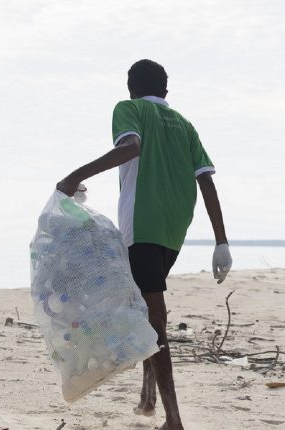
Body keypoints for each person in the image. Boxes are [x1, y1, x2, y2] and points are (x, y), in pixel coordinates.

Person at [56, 59, 232, 430]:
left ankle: (173, 419)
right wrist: (221, 240)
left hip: (143, 227)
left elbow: (131, 147)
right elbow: (207, 182)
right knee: (145, 312)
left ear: (131, 89)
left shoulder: (128, 109)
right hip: (174, 230)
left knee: (155, 319)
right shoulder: (185, 124)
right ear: (166, 91)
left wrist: (75, 176)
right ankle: (147, 396)